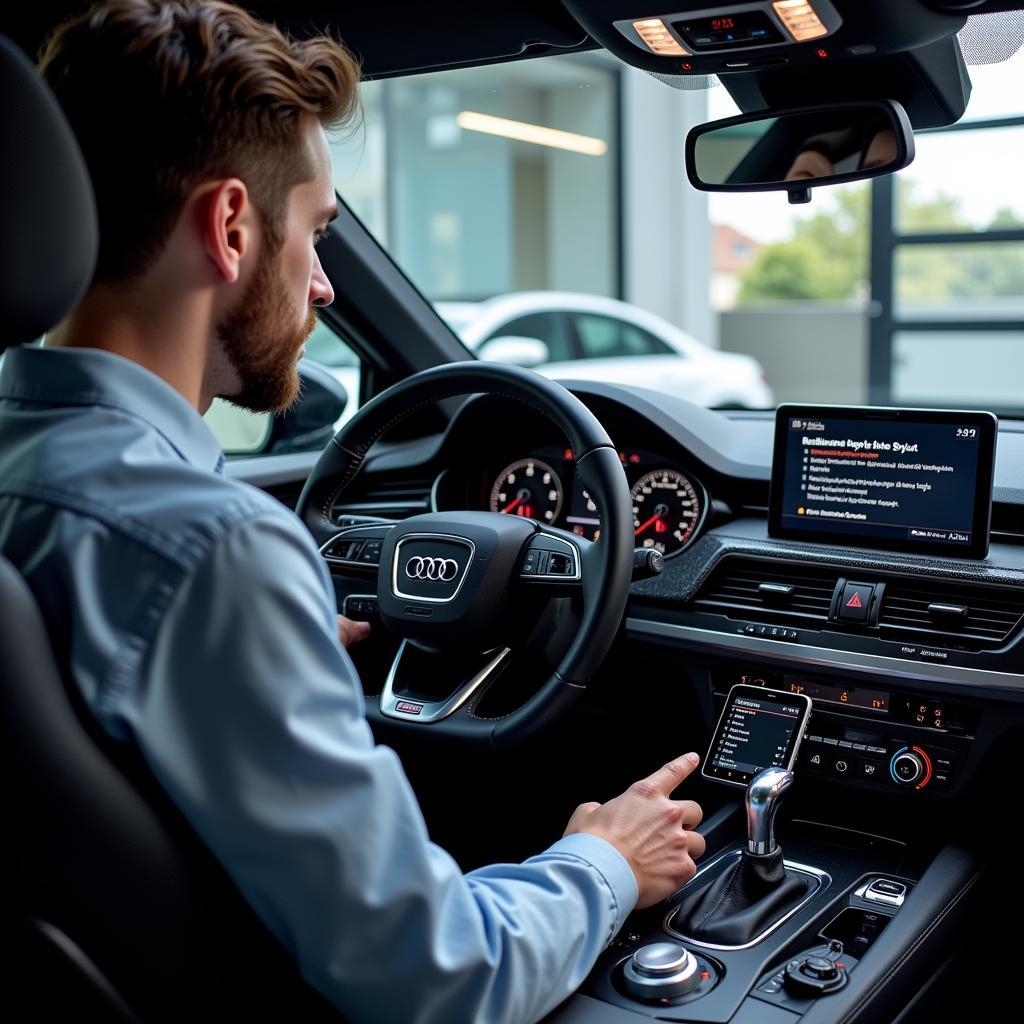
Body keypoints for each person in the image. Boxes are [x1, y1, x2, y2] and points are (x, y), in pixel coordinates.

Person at [0, 2, 705, 1022]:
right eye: (316, 233)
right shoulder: (212, 553)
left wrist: (272, 650)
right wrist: (602, 857)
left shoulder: (42, 479)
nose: (325, 285)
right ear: (231, 226)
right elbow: (439, 979)